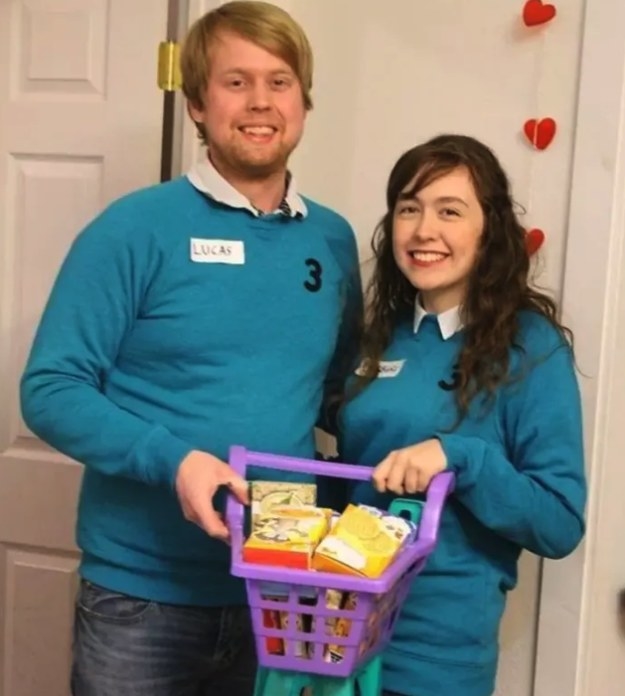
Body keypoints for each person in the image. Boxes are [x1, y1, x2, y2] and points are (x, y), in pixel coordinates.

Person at [20, 2, 361, 695]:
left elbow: (328, 391)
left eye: (280, 81)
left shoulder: (332, 240)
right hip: (140, 599)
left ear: (303, 101)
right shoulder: (133, 230)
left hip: (278, 591)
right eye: (236, 82)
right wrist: (175, 461)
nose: (260, 101)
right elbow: (50, 388)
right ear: (198, 104)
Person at [339, 134, 586, 696]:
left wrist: (459, 457)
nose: (424, 230)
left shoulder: (531, 349)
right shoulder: (381, 340)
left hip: (436, 668)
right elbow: (358, 484)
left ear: (488, 230)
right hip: (339, 647)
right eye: (409, 208)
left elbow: (559, 522)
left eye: (450, 211)